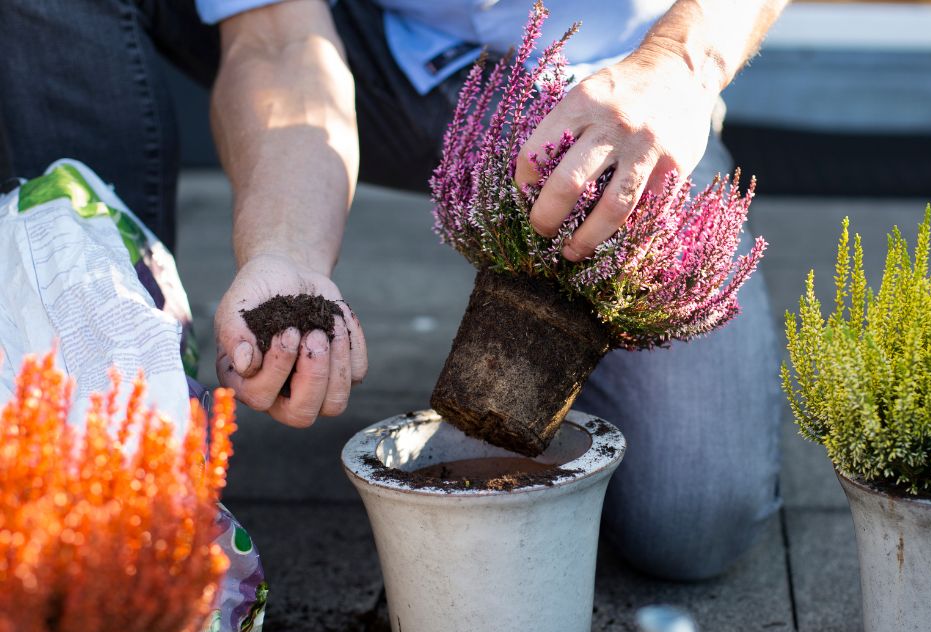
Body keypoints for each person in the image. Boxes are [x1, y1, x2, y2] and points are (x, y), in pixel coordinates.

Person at [0, 0, 786, 580]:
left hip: (614, 78)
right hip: (360, 41)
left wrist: (682, 64)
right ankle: (96, 433)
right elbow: (277, 41)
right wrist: (286, 251)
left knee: (693, 517)